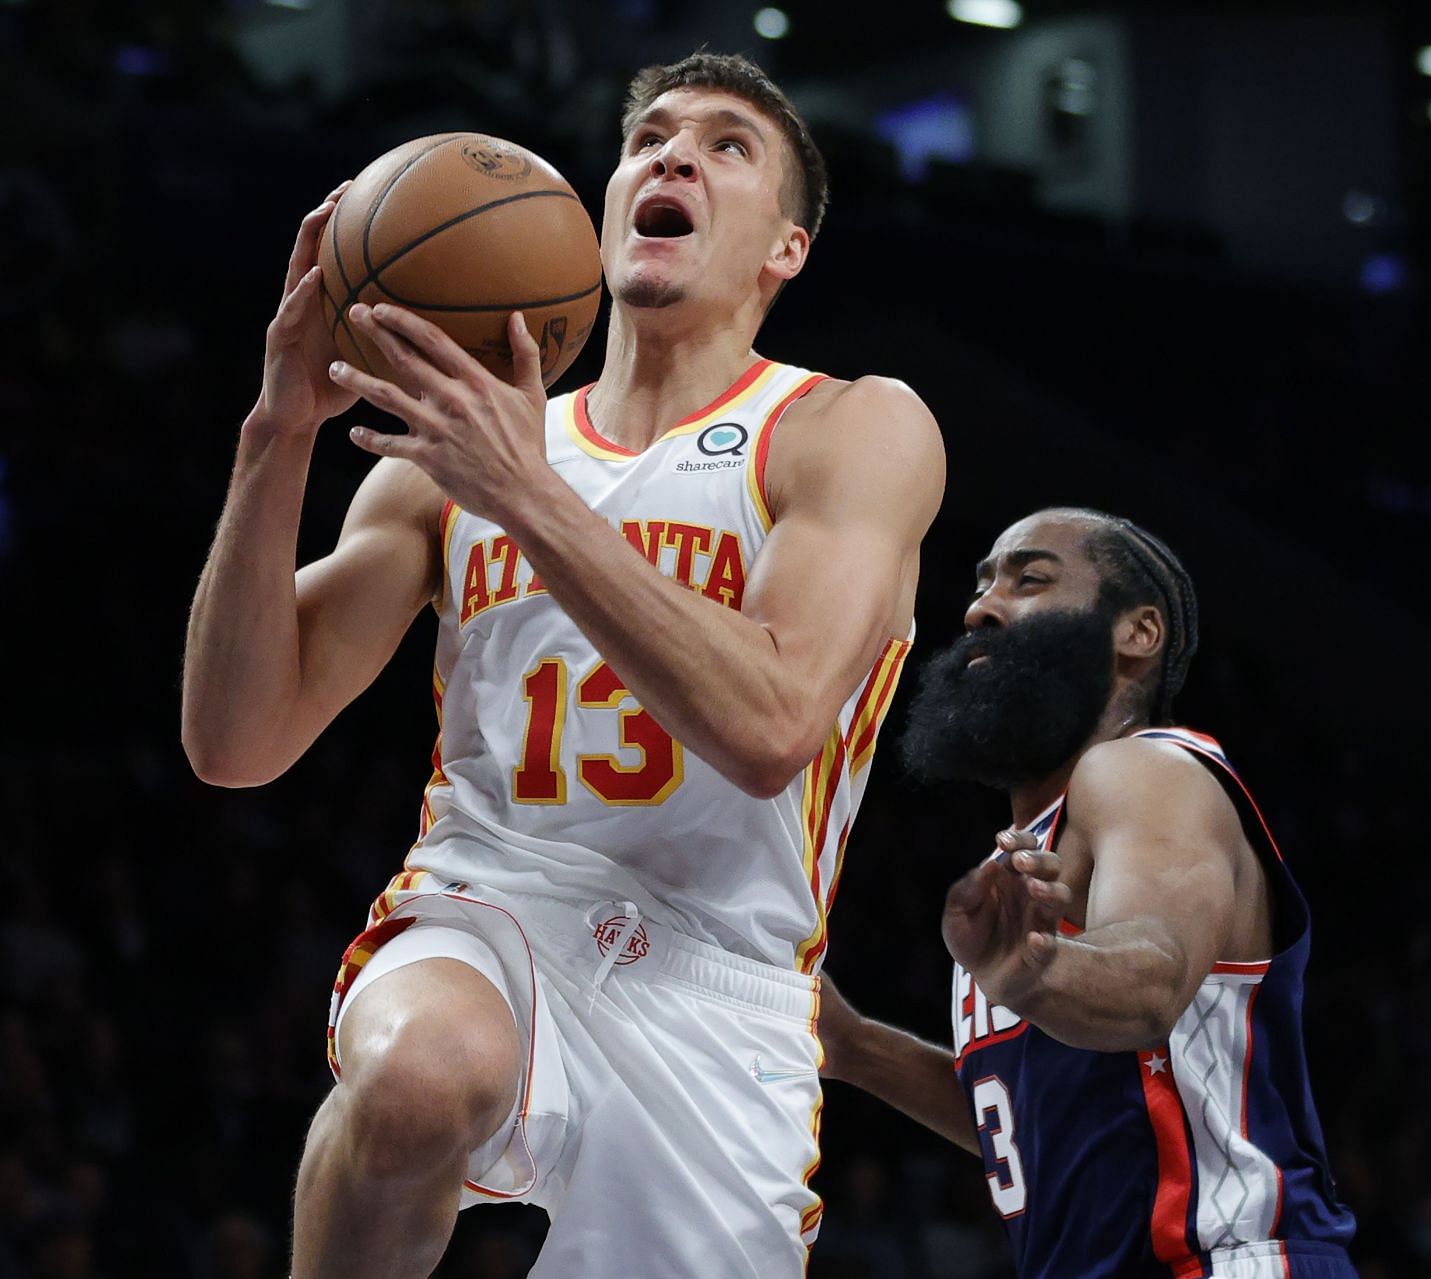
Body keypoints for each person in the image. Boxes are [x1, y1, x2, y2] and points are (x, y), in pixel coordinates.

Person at [180, 51, 944, 1279]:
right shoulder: (452, 454)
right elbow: (234, 741)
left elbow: (770, 724)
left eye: (726, 145)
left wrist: (529, 497)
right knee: (421, 1080)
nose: (672, 154)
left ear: (784, 249)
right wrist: (276, 434)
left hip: (720, 980)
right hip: (496, 902)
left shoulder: (851, 428)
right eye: (648, 137)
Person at [817, 507, 1358, 1279]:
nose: (979, 607)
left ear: (1137, 633)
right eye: (981, 584)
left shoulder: (1147, 772)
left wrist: (1033, 970)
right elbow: (1040, 1120)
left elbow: (1153, 978)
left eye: (1029, 579)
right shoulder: (1024, 868)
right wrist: (858, 1047)